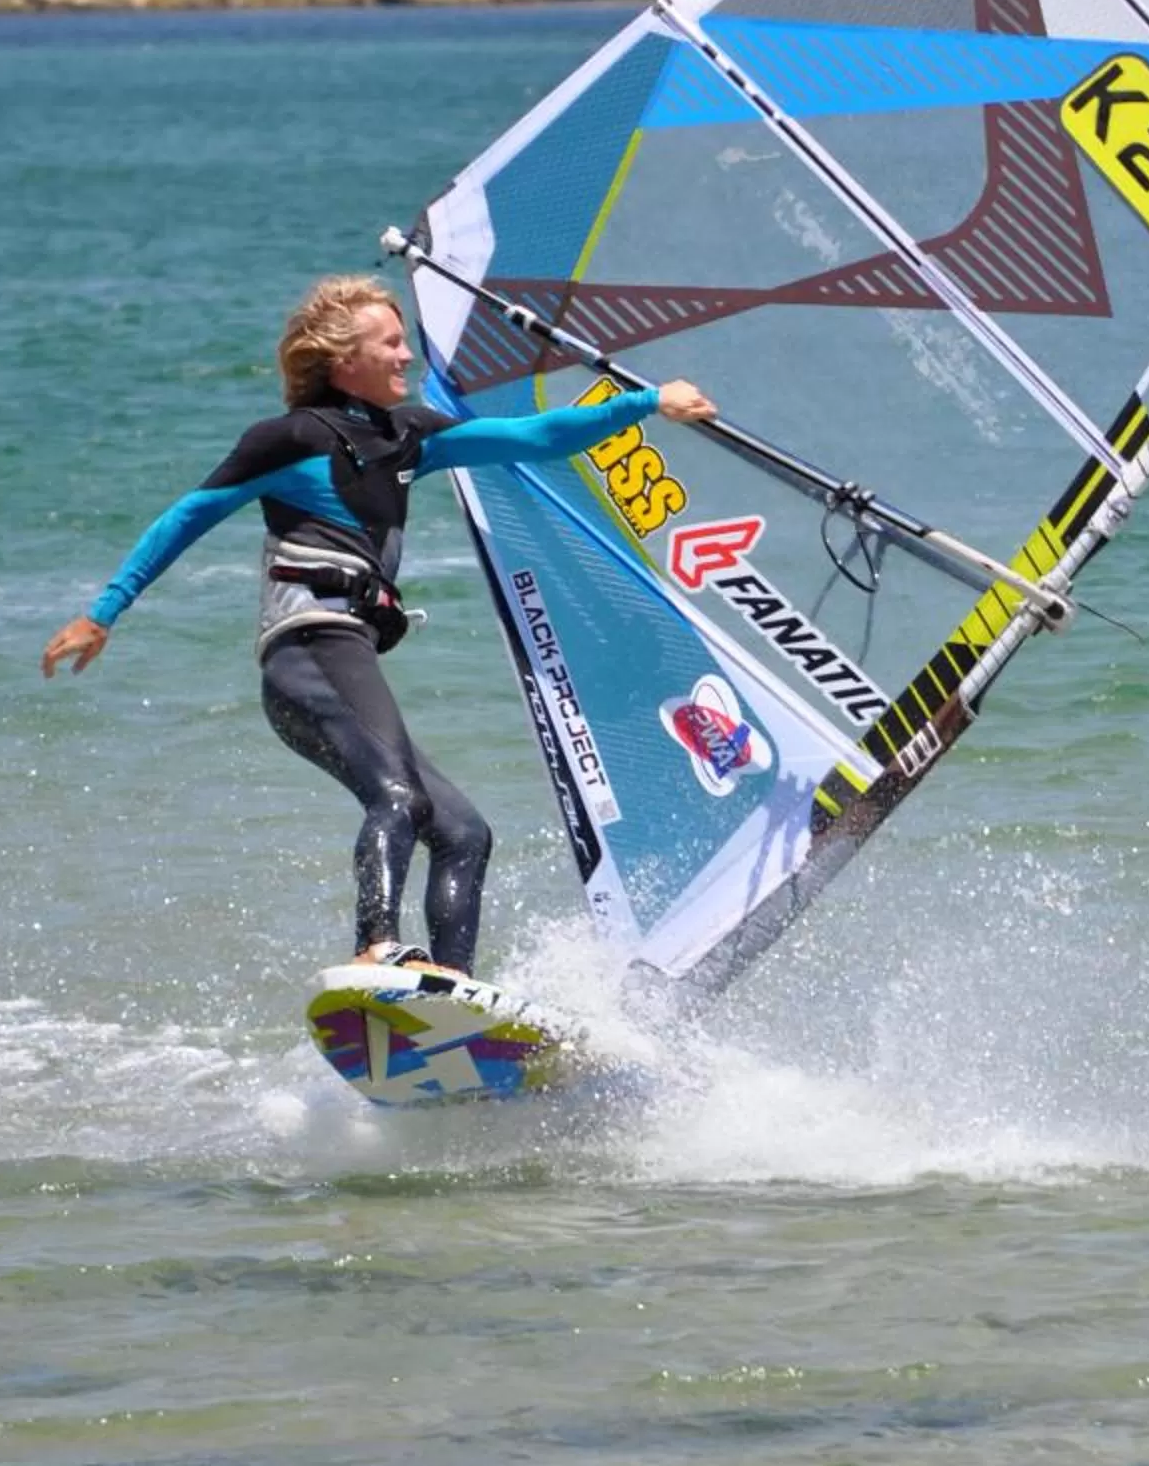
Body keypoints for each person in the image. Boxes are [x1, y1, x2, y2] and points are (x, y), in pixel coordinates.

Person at [42, 273, 715, 979]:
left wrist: (646, 403)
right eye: (390, 343)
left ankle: (448, 996)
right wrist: (102, 613)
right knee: (398, 798)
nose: (405, 356)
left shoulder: (410, 437)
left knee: (463, 832)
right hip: (307, 653)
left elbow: (536, 436)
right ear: (343, 361)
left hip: (344, 659)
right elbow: (186, 516)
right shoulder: (288, 439)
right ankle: (375, 947)